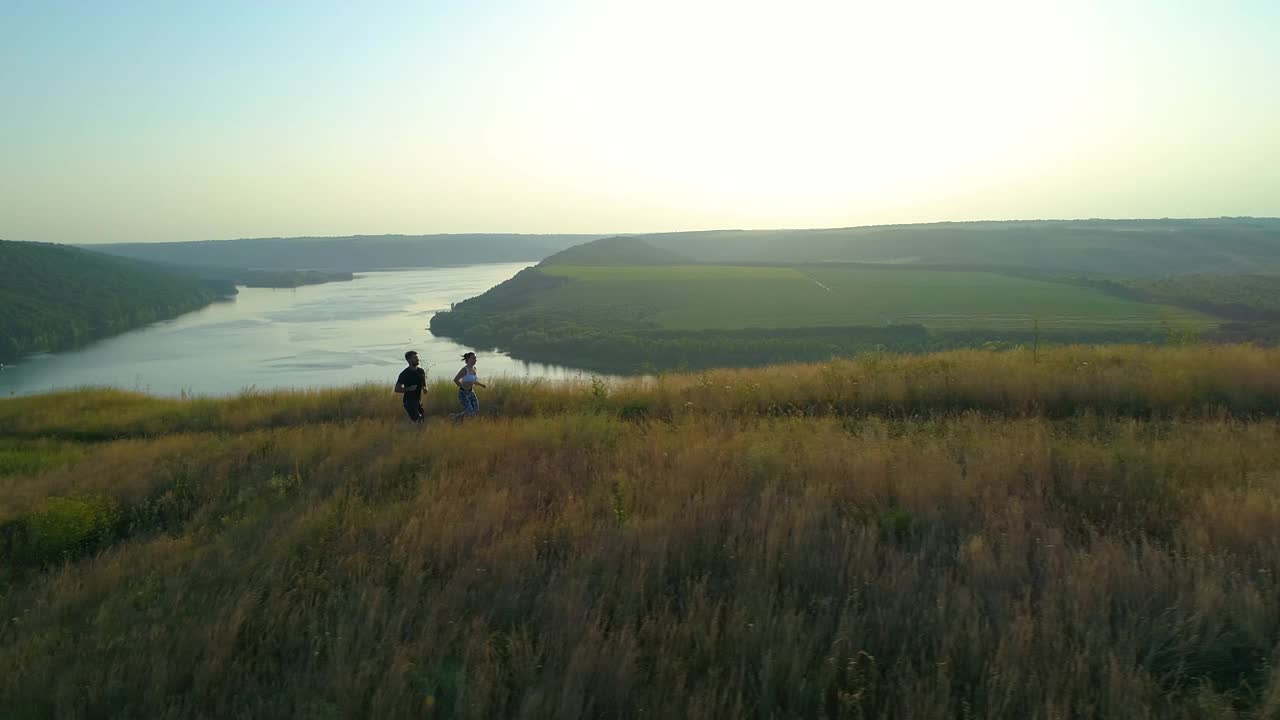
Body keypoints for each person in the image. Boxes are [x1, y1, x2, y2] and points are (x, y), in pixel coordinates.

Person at [394, 350, 427, 423]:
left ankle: (413, 432)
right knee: (418, 420)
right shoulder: (404, 374)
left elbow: (424, 384)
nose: (417, 359)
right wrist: (409, 388)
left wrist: (425, 388)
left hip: (418, 401)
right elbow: (396, 389)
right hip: (409, 402)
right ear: (409, 360)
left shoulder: (421, 371)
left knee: (421, 421)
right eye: (414, 358)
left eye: (417, 357)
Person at [452, 351, 486, 419]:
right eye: (473, 358)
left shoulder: (474, 369)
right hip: (463, 393)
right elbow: (455, 380)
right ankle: (455, 417)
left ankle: (459, 418)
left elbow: (474, 381)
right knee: (469, 411)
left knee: (476, 410)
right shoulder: (465, 370)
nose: (475, 360)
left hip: (471, 392)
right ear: (468, 359)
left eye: (475, 358)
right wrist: (463, 387)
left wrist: (481, 385)